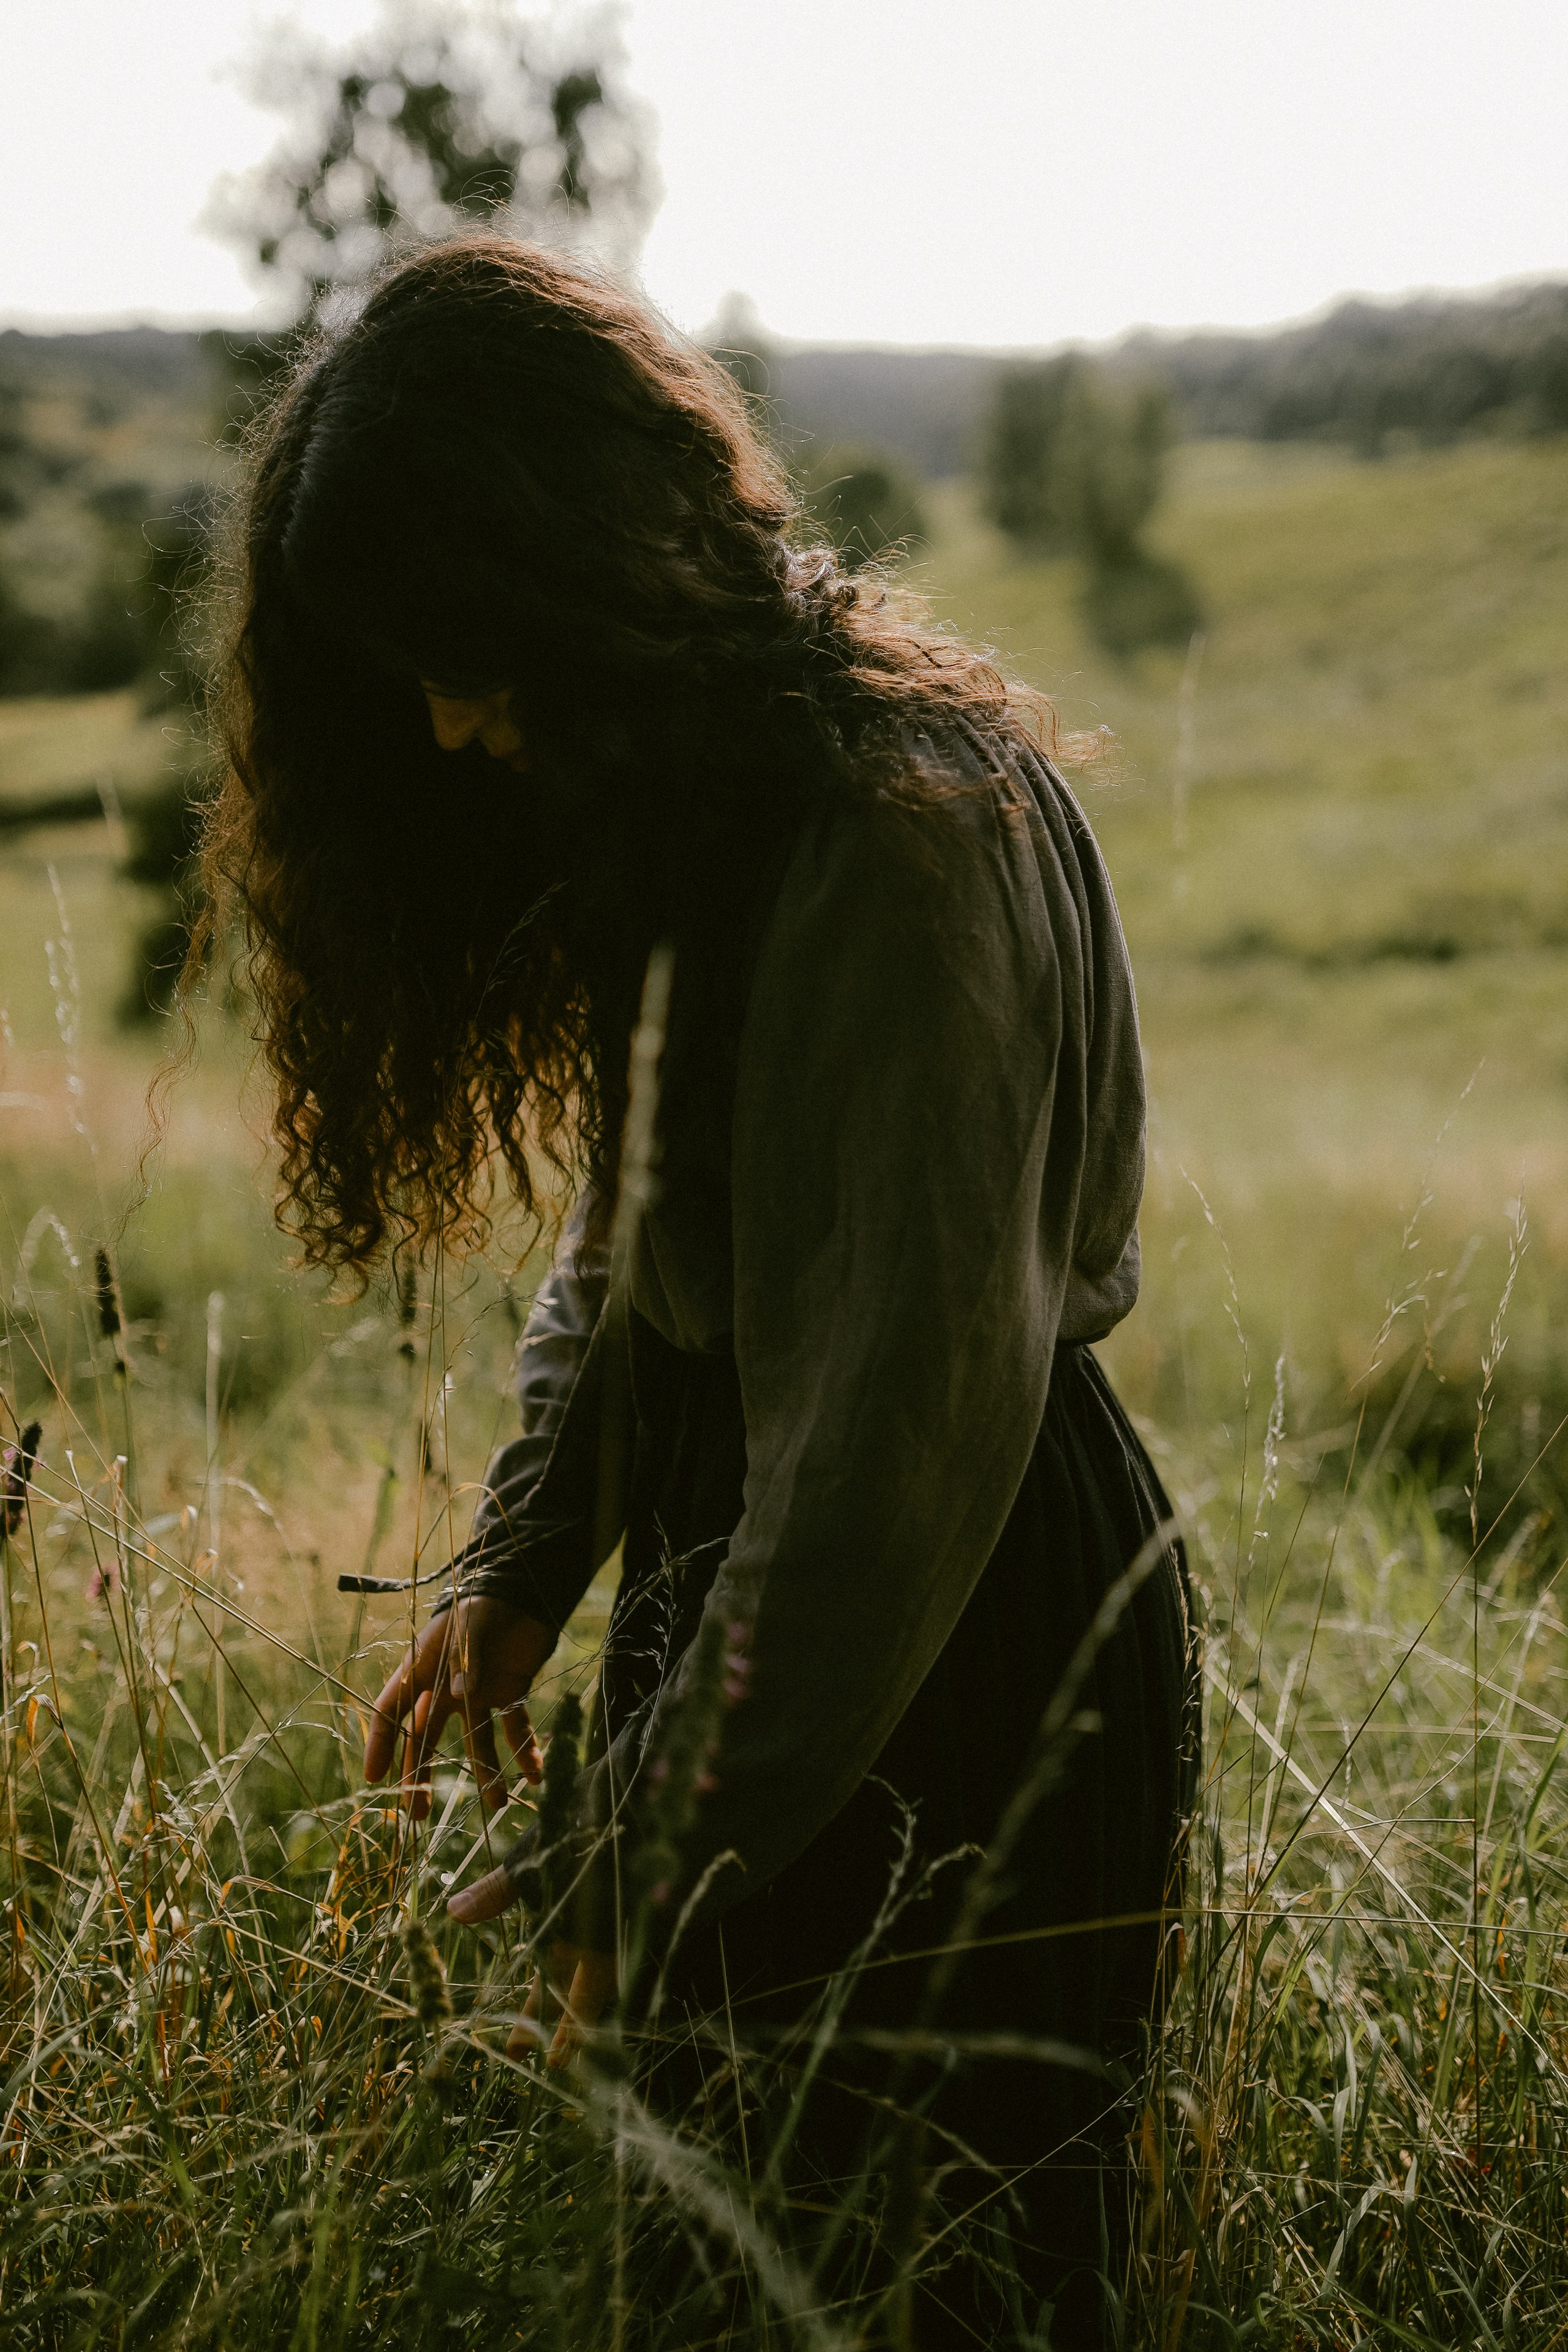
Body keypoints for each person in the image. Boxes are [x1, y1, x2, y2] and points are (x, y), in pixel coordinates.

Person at [198, 234, 1198, 2348]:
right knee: (711, 2286)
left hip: (954, 1647)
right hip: (753, 1604)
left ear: (590, 573)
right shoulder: (715, 786)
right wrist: (528, 1557)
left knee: (939, 2292)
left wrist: (646, 1859)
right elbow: (646, 1227)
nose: (450, 720)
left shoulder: (901, 836)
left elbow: (884, 1464)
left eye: (470, 652)